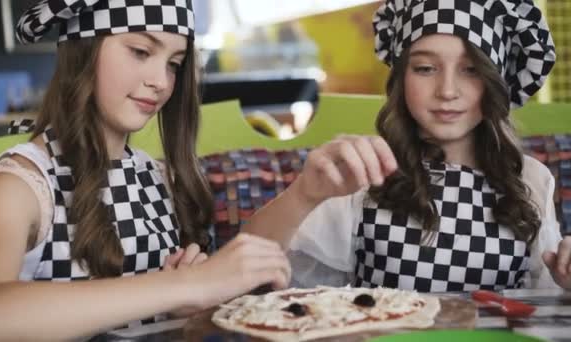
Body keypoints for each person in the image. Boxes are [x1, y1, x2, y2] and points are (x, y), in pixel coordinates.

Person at [0, 1, 290, 340]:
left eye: (174, 65)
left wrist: (191, 309)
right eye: (140, 51)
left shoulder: (159, 177)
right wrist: (183, 285)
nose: (161, 81)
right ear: (83, 50)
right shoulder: (21, 183)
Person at [244, 0, 571, 292]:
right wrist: (303, 194)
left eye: (471, 69)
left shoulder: (531, 179)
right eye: (425, 68)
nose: (447, 90)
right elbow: (247, 268)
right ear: (401, 80)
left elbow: (546, 296)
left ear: (497, 83)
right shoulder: (366, 169)